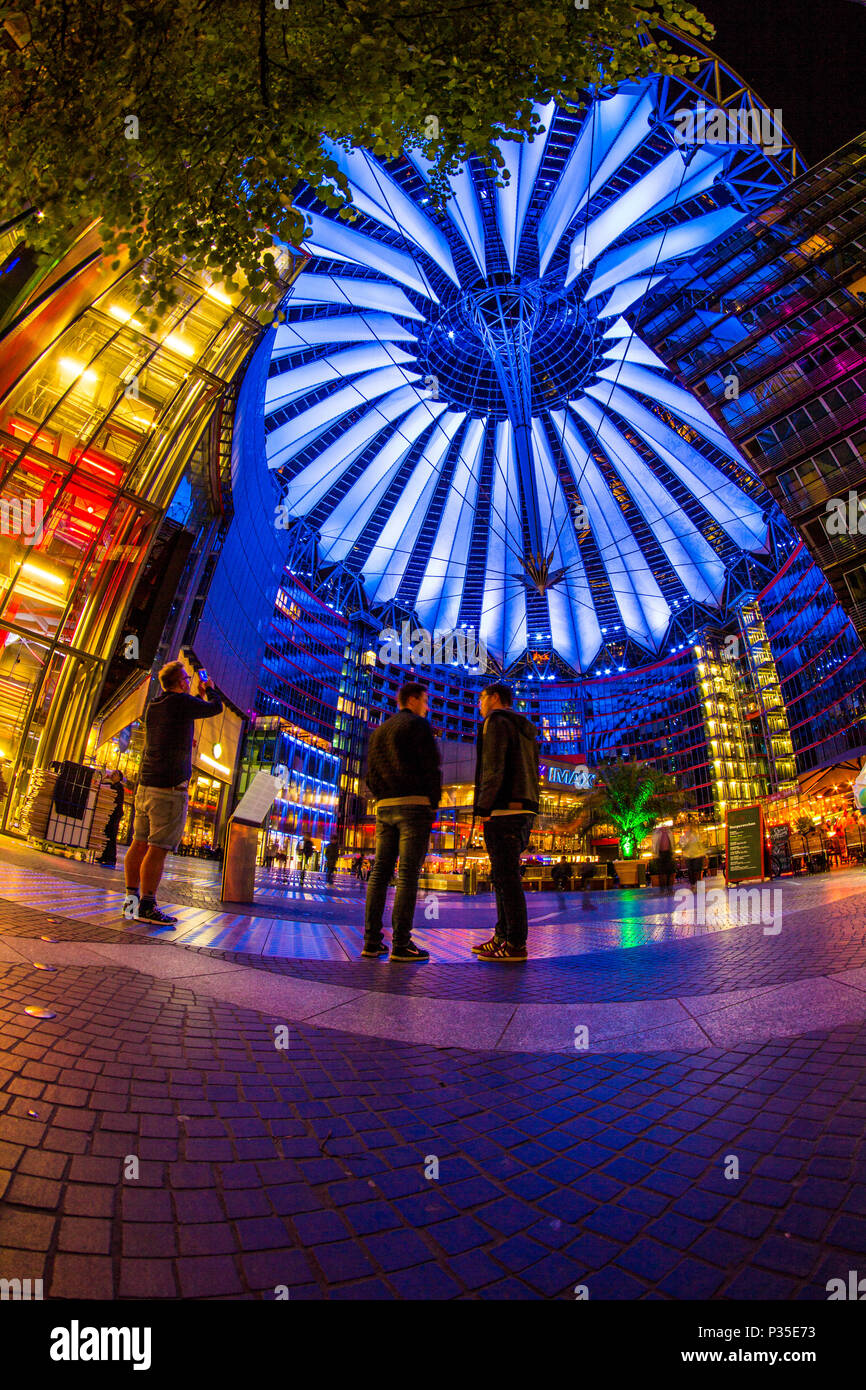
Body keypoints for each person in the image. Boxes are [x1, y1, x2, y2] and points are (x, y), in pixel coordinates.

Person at [123, 660, 223, 925]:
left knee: (138, 843)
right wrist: (210, 689)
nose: (189, 683)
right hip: (168, 790)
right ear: (181, 682)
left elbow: (180, 717)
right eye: (187, 680)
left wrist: (194, 695)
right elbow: (216, 707)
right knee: (157, 849)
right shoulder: (181, 705)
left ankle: (131, 901)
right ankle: (147, 905)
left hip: (145, 786)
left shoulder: (155, 706)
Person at [363, 681, 441, 961]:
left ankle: (371, 942)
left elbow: (369, 773)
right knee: (408, 874)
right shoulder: (419, 725)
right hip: (414, 805)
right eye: (425, 700)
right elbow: (432, 767)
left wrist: (382, 796)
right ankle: (401, 944)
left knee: (380, 873)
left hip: (384, 807)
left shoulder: (380, 731)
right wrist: (433, 802)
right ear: (413, 699)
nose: (427, 706)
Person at [471, 683, 539, 963]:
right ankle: (502, 934)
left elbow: (493, 766)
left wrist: (483, 805)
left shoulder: (495, 722)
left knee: (507, 879)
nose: (479, 703)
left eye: (481, 697)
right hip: (524, 807)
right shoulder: (526, 728)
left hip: (502, 810)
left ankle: (515, 944)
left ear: (495, 698)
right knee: (503, 876)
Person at [96, 770, 125, 868]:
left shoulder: (118, 787)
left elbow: (108, 789)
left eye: (115, 774)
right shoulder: (114, 785)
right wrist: (105, 778)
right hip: (111, 813)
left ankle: (111, 858)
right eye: (112, 773)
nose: (112, 775)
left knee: (111, 835)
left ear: (119, 777)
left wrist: (106, 779)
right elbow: (102, 785)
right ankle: (105, 856)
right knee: (107, 833)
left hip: (115, 814)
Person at [679, 819, 708, 890]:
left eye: (690, 827)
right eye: (688, 827)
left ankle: (697, 884)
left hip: (697, 855)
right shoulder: (685, 836)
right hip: (689, 856)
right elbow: (681, 845)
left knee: (697, 870)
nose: (690, 829)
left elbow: (701, 844)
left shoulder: (697, 835)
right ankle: (693, 884)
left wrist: (703, 853)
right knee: (691, 871)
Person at [651, 821, 676, 890]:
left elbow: (672, 842)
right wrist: (655, 854)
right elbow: (654, 844)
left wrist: (673, 852)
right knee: (661, 871)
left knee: (669, 871)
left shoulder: (669, 832)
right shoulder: (656, 833)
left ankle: (669, 887)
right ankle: (662, 887)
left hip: (668, 853)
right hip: (660, 853)